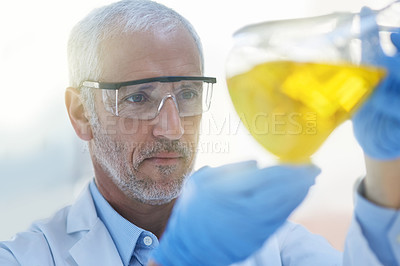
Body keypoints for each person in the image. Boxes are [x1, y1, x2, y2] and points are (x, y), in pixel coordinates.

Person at [0, 1, 398, 265]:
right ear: (80, 113)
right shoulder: (27, 257)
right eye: (138, 98)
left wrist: (386, 172)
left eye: (187, 94)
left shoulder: (269, 243)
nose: (172, 128)